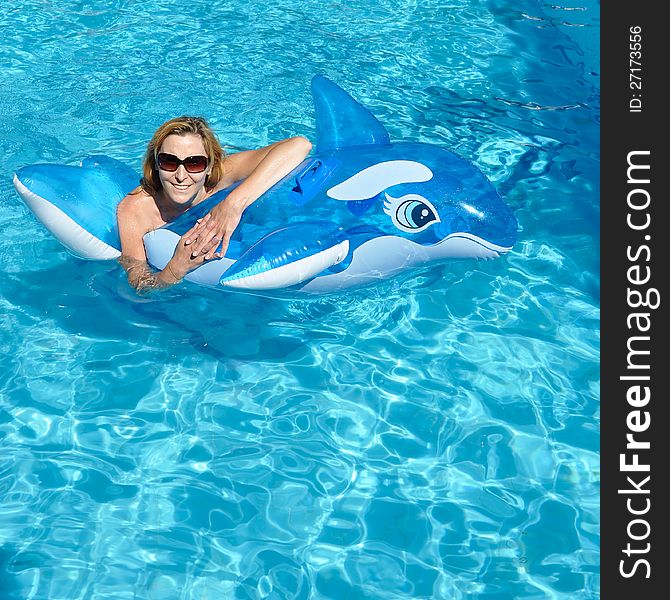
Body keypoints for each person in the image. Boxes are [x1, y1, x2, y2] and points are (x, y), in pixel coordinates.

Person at [117, 116, 312, 292]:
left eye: (194, 163)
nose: (181, 176)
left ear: (210, 166)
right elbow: (140, 289)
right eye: (169, 162)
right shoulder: (136, 210)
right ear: (156, 164)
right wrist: (176, 269)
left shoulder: (220, 179)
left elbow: (300, 145)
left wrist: (233, 204)